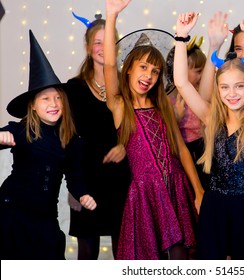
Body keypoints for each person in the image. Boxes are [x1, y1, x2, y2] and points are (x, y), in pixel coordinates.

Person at [174, 12, 244, 259]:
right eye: (225, 87)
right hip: (215, 208)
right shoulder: (212, 119)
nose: (231, 93)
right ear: (218, 90)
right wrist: (181, 36)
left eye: (239, 86)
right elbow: (181, 82)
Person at [104, 0, 203, 260]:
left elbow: (181, 150)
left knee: (182, 256)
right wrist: (111, 16)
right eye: (143, 67)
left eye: (156, 71)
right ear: (128, 71)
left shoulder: (163, 108)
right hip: (145, 195)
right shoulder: (120, 106)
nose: (149, 75)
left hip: (175, 188)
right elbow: (108, 66)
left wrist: (199, 191)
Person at [0, 30, 96, 260]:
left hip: (44, 217)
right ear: (32, 105)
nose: (53, 103)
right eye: (45, 98)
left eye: (58, 98)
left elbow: (74, 175)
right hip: (12, 212)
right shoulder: (21, 130)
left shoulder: (70, 140)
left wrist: (82, 193)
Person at [66, 12, 131, 259]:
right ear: (87, 46)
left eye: (109, 42)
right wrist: (75, 186)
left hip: (121, 179)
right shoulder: (73, 89)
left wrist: (124, 145)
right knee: (87, 253)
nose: (103, 48)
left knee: (124, 248)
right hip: (86, 180)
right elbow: (68, 138)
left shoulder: (128, 86)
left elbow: (138, 127)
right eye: (97, 42)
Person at [165, 36, 210, 189]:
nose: (201, 76)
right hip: (182, 152)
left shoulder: (203, 95)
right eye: (198, 71)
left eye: (203, 71)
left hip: (203, 149)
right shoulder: (169, 99)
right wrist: (176, 118)